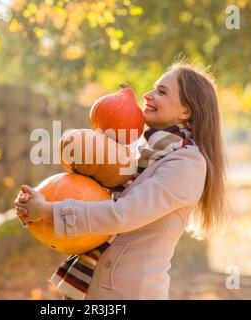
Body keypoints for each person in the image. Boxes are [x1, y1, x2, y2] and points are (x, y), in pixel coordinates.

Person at [15, 61, 226, 300]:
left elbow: (123, 214)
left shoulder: (187, 164)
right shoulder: (137, 149)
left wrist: (49, 211)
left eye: (162, 92)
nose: (147, 95)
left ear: (185, 111)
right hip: (88, 288)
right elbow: (89, 195)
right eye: (153, 88)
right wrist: (36, 204)